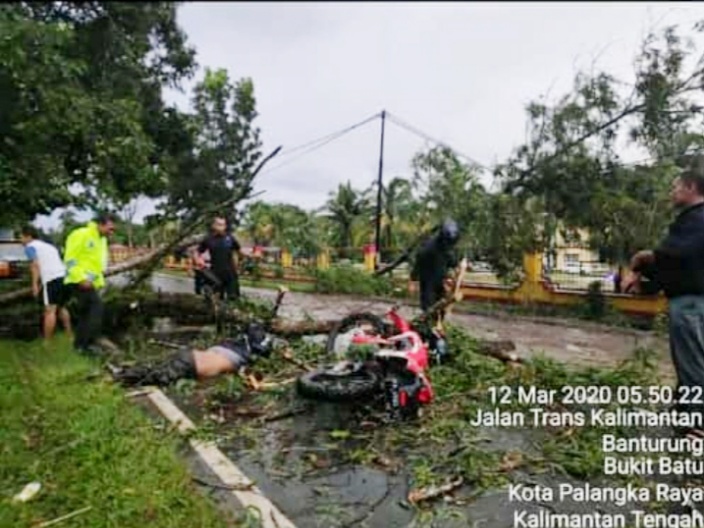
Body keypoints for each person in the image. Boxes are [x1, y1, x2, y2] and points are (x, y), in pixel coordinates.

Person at [624, 157, 704, 438]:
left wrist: (641, 260)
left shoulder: (696, 220)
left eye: (675, 187)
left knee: (693, 365)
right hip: (693, 300)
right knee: (692, 361)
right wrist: (647, 281)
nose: (672, 193)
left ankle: (696, 425)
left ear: (691, 188)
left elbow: (673, 257)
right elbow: (680, 266)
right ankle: (683, 416)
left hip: (690, 304)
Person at [109, 322, 274, 387]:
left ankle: (122, 371)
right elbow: (252, 381)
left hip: (189, 356)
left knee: (155, 368)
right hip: (191, 364)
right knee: (157, 376)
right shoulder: (242, 360)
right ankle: (119, 377)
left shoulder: (230, 345)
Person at [63, 213, 116, 355]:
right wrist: (80, 278)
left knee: (86, 314)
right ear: (100, 224)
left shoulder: (102, 240)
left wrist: (98, 282)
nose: (112, 232)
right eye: (110, 228)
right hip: (79, 281)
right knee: (96, 308)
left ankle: (80, 346)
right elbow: (70, 259)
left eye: (113, 229)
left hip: (91, 283)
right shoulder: (81, 234)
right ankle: (89, 343)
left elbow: (97, 264)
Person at [20, 226, 72, 341]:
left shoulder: (30, 247)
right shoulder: (49, 246)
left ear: (29, 237)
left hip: (51, 279)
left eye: (22, 237)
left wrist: (34, 285)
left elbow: (35, 265)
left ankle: (47, 342)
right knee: (62, 307)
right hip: (64, 277)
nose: (21, 240)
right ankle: (69, 335)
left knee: (49, 311)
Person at [411, 219, 461, 314]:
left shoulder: (447, 248)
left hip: (441, 281)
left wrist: (456, 268)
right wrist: (413, 279)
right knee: (429, 309)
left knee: (442, 307)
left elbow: (451, 261)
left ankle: (438, 320)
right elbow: (418, 262)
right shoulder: (428, 248)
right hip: (428, 281)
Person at [192, 215, 244, 301]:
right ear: (213, 225)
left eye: (223, 225)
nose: (221, 227)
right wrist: (198, 260)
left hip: (230, 273)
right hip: (215, 273)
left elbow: (240, 252)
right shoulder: (208, 239)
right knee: (217, 299)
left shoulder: (230, 238)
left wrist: (243, 261)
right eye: (218, 224)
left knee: (233, 299)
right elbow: (196, 252)